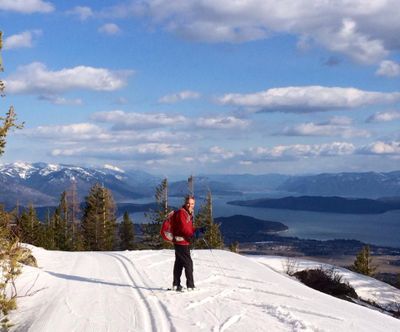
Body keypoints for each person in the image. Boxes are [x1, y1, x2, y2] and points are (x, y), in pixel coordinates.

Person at [171, 195, 196, 291]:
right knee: (188, 263)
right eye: (188, 203)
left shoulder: (187, 213)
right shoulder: (182, 213)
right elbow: (184, 228)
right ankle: (190, 286)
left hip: (181, 241)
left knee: (179, 263)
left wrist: (196, 230)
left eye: (192, 203)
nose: (190, 205)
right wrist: (193, 234)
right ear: (185, 203)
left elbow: (188, 228)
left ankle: (176, 284)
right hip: (181, 241)